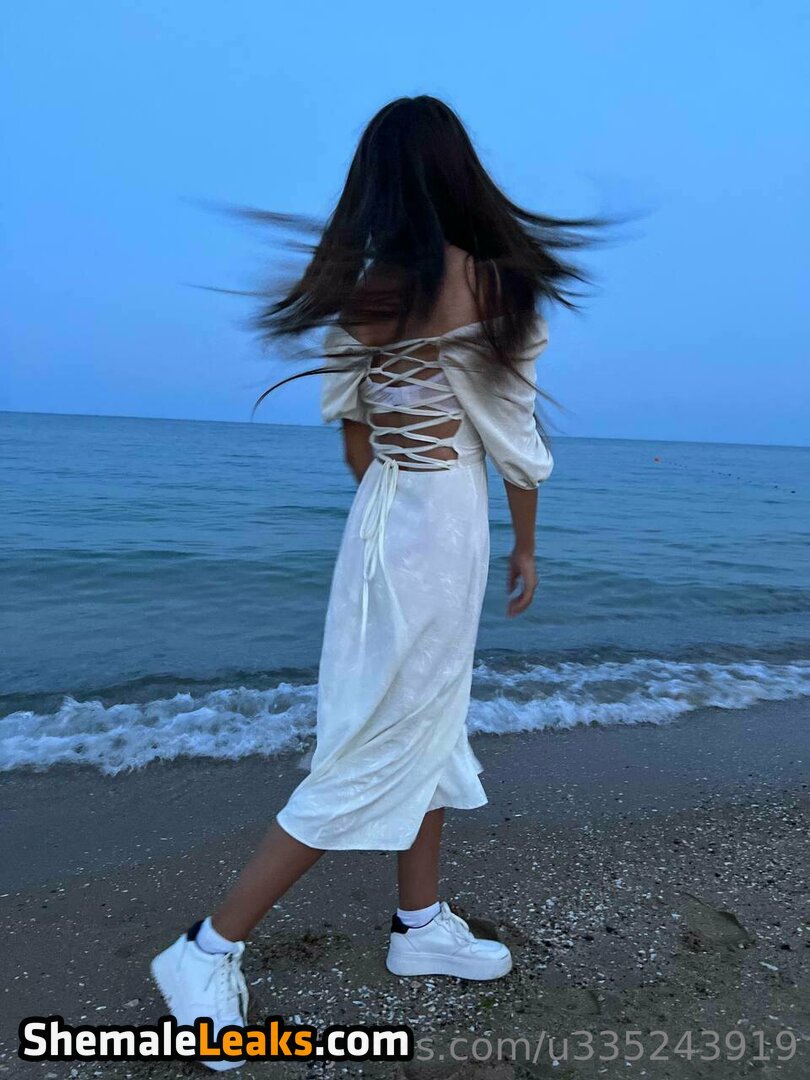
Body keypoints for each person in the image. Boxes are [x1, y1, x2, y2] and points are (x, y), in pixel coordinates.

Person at [151, 95, 596, 1070]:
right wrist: (523, 546)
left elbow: (356, 439)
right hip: (441, 522)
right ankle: (205, 949)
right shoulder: (495, 284)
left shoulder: (364, 293)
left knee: (423, 722)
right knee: (379, 741)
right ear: (460, 173)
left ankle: (419, 924)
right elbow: (516, 445)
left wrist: (394, 518)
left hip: (382, 518)